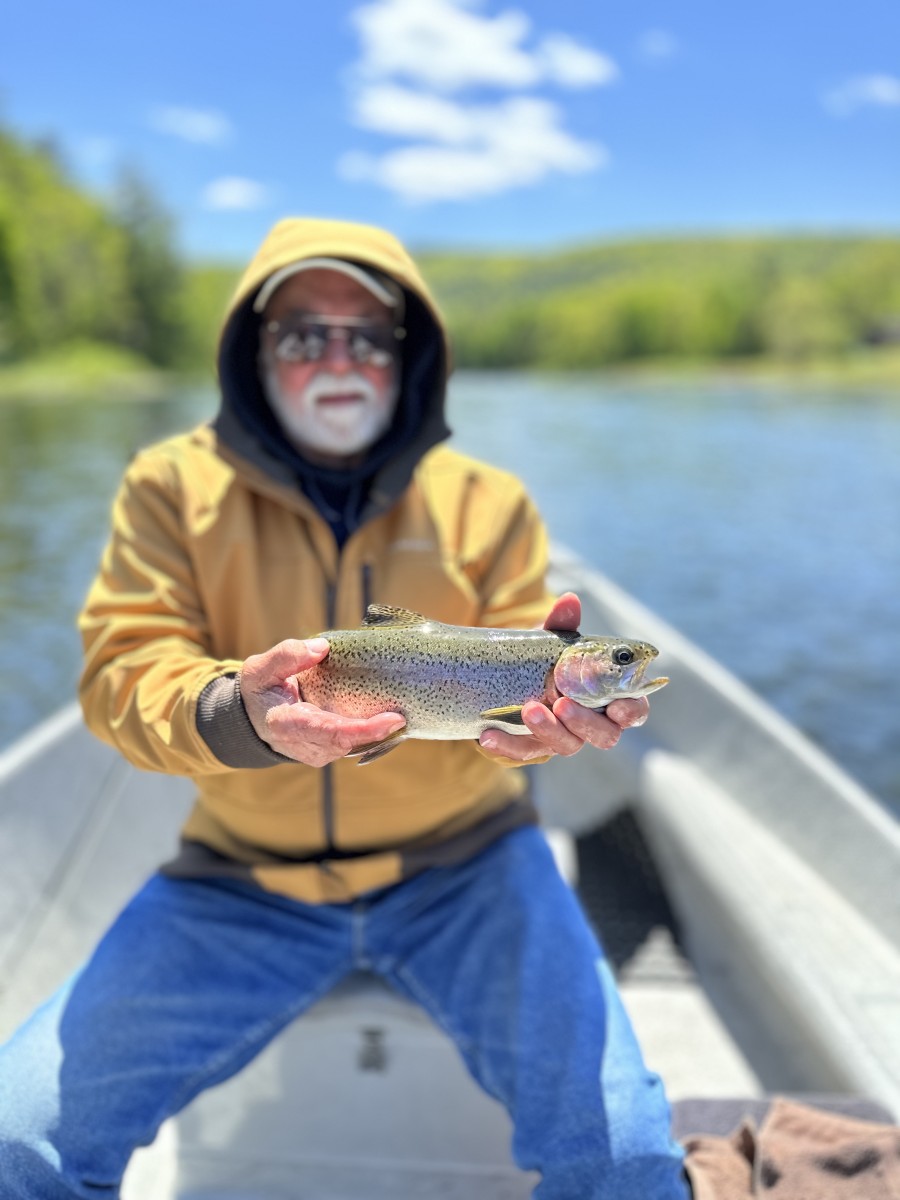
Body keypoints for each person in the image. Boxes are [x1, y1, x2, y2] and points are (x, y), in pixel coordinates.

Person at [0, 217, 689, 1198]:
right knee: (12, 1148)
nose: (338, 358)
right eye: (302, 333)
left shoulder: (491, 503)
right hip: (240, 883)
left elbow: (505, 738)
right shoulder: (169, 489)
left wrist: (540, 737)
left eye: (368, 335)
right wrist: (237, 709)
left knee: (626, 1163)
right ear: (254, 348)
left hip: (472, 871)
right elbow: (123, 675)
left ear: (410, 358)